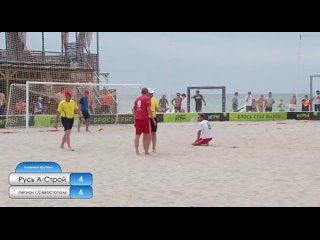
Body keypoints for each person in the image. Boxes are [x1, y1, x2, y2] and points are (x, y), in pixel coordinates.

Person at [133, 88, 155, 155]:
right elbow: (148, 110)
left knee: (137, 135)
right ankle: (146, 151)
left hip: (137, 119)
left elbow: (134, 110)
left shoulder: (137, 99)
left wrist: (134, 120)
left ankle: (137, 151)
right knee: (147, 135)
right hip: (145, 119)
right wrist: (153, 120)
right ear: (146, 92)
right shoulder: (147, 99)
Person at [147, 88, 158, 153]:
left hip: (154, 117)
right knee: (147, 134)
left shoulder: (154, 100)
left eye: (152, 93)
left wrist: (162, 110)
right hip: (147, 118)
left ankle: (153, 148)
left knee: (154, 133)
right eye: (151, 93)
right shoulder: (145, 100)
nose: (152, 94)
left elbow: (156, 109)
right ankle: (146, 148)